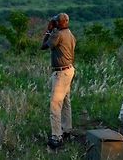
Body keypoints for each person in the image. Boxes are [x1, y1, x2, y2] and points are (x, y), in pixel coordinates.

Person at [41, 13, 76, 149]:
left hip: (61, 73)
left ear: (59, 23)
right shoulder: (69, 33)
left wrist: (49, 30)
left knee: (55, 105)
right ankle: (67, 129)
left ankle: (56, 136)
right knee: (66, 101)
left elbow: (44, 46)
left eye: (55, 22)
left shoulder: (57, 34)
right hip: (69, 70)